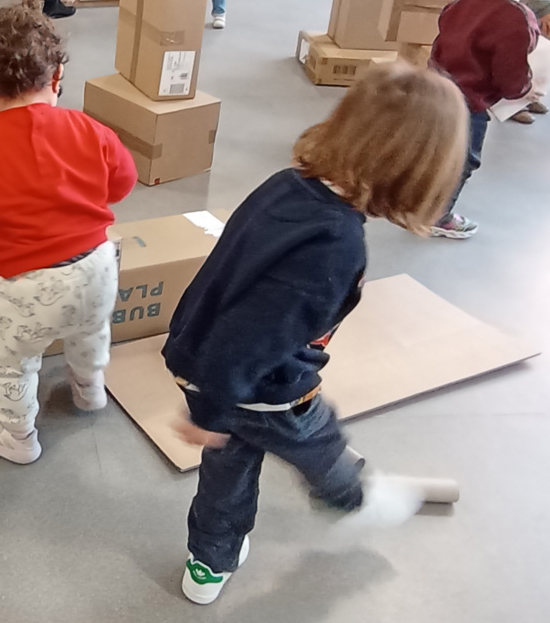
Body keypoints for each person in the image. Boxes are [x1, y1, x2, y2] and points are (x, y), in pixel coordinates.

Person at [164, 61, 468, 605]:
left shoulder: (288, 185)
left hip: (200, 358)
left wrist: (210, 402)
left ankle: (209, 562)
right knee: (316, 440)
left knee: (229, 464)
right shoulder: (334, 245)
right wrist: (209, 411)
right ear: (414, 172)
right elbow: (249, 338)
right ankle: (357, 497)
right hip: (263, 388)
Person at [0, 4, 137, 465]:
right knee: (90, 330)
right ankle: (90, 387)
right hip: (98, 268)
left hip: (30, 289)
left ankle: (15, 434)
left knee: (8, 360)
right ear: (57, 77)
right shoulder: (89, 129)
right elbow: (122, 183)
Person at [428, 0, 550, 239]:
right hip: (469, 103)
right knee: (462, 161)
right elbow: (510, 79)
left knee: (432, 150)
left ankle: (414, 196)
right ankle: (439, 217)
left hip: (434, 88)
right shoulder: (519, 20)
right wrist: (527, 88)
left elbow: (444, 25)